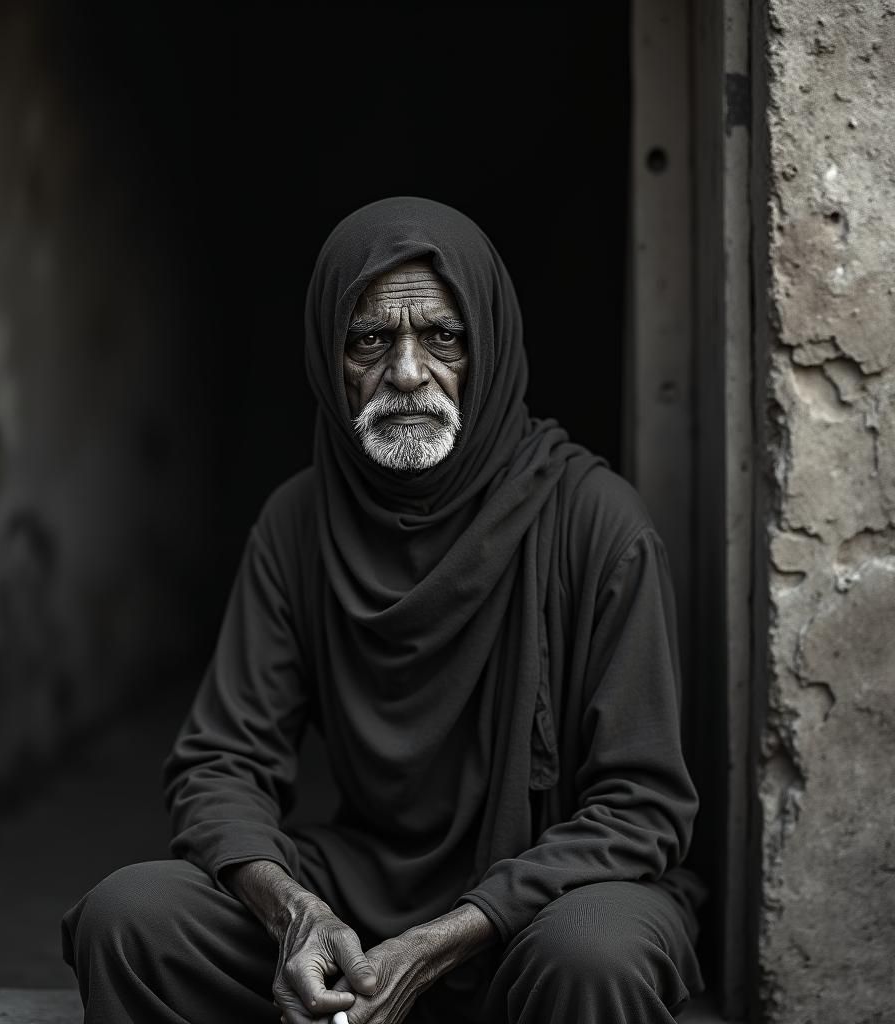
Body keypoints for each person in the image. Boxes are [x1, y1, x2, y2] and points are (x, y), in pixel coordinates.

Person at [61, 197, 706, 1023]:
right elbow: (220, 764)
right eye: (371, 340)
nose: (407, 373)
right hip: (362, 898)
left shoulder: (597, 521)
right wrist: (297, 911)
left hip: (553, 899)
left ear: (491, 349)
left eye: (443, 337)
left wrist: (451, 937)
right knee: (133, 918)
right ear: (330, 361)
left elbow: (642, 806)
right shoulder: (299, 523)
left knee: (595, 958)